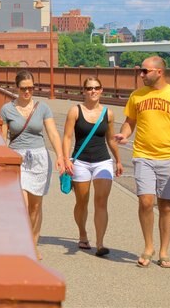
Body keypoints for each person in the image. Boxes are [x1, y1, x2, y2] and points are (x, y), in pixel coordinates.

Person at [115, 55, 170, 269]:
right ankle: (148, 247)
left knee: (166, 206)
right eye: (140, 71)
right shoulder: (137, 96)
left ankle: (164, 251)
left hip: (169, 157)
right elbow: (129, 122)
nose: (141, 75)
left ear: (159, 72)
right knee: (146, 202)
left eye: (145, 71)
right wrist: (124, 135)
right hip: (143, 155)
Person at [0, 70, 64, 260]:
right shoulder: (7, 109)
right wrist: (1, 160)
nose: (27, 92)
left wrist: (60, 156)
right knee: (22, 202)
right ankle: (23, 242)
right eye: (23, 89)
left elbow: (52, 133)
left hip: (39, 158)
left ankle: (33, 243)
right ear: (16, 88)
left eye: (30, 88)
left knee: (36, 206)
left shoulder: (42, 108)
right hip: (17, 157)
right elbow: (3, 137)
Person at [63, 77, 123, 257]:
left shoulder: (108, 113)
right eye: (89, 88)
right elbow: (67, 137)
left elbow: (111, 139)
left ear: (102, 90)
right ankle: (82, 233)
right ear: (84, 91)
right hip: (80, 161)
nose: (93, 91)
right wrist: (66, 159)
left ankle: (100, 243)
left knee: (101, 201)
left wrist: (118, 160)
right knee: (82, 201)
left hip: (102, 161)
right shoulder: (75, 111)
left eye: (96, 88)